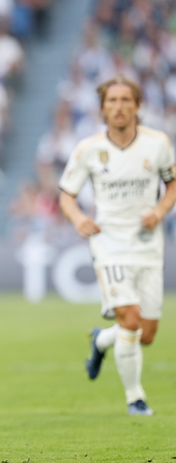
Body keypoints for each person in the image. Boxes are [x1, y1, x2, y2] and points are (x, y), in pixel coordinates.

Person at [59, 75, 176, 416]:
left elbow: (172, 186)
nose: (119, 106)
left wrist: (159, 211)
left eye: (126, 100)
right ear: (102, 108)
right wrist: (79, 219)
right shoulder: (88, 149)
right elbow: (66, 195)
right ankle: (135, 398)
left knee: (147, 331)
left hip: (147, 243)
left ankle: (100, 340)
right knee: (130, 317)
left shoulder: (157, 144)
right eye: (112, 101)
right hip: (109, 243)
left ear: (138, 106)